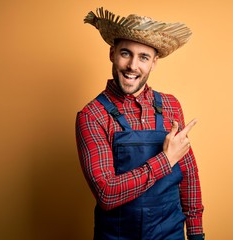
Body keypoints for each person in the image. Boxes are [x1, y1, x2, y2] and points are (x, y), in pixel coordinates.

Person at [76, 7, 205, 240]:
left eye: (143, 57)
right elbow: (107, 193)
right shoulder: (92, 115)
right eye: (126, 53)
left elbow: (188, 175)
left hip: (171, 234)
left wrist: (196, 234)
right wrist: (165, 160)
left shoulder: (171, 105)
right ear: (112, 53)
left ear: (154, 63)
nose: (133, 66)